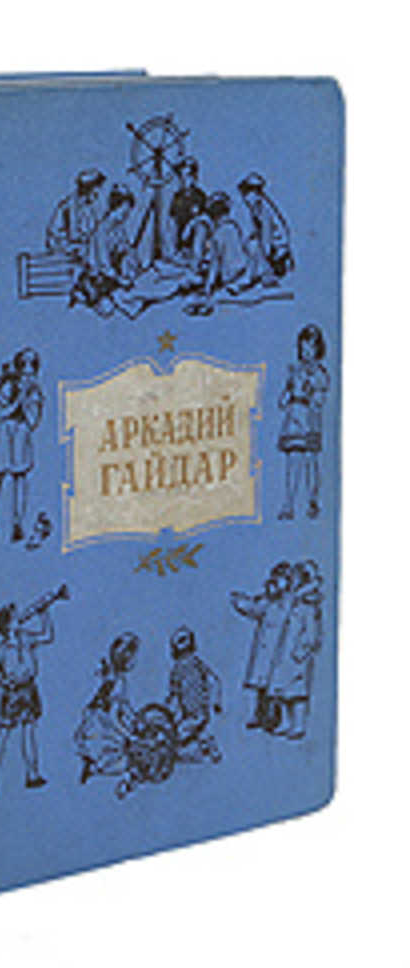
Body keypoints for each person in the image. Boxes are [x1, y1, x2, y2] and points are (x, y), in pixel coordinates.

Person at [0, 601, 55, 795]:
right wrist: (3, 681)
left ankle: (32, 775)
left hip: (29, 690)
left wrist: (45, 614)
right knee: (3, 733)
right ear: (7, 625)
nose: (20, 619)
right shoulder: (3, 649)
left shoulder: (26, 638)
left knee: (29, 731)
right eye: (15, 618)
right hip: (13, 694)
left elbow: (47, 636)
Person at [0, 348, 44, 542]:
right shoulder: (8, 385)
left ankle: (17, 523)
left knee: (20, 478)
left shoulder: (34, 391)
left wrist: (27, 401)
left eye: (32, 365)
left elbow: (33, 422)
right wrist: (17, 402)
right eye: (24, 364)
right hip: (3, 435)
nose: (27, 370)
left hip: (20, 436)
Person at [229, 561, 294, 731]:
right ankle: (257, 715)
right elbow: (254, 608)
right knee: (259, 686)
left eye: (280, 579)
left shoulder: (290, 602)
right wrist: (240, 602)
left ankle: (276, 719)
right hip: (264, 651)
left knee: (276, 688)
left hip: (280, 651)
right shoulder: (268, 602)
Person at [277, 325, 330, 519]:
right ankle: (289, 504)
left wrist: (309, 390)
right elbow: (284, 398)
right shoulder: (295, 371)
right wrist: (288, 394)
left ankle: (312, 500)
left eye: (310, 348)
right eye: (303, 348)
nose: (306, 353)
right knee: (293, 461)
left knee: (310, 461)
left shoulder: (320, 374)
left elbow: (319, 400)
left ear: (318, 349)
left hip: (309, 421)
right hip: (293, 421)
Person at [74, 632, 140, 784]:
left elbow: (124, 706)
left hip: (95, 725)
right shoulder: (118, 682)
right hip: (99, 731)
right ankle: (94, 768)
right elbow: (114, 715)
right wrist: (129, 735)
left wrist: (135, 719)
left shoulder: (113, 678)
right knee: (127, 760)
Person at [267, 560, 323, 740]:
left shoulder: (309, 606)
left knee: (297, 693)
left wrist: (302, 650)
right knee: (282, 691)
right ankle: (285, 722)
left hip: (298, 656)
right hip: (285, 654)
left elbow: (312, 633)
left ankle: (298, 724)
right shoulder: (292, 602)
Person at [69, 183, 139, 316]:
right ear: (115, 208)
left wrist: (131, 259)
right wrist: (121, 280)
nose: (126, 216)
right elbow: (104, 265)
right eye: (124, 212)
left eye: (128, 213)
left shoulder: (118, 229)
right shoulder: (101, 231)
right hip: (98, 279)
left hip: (113, 278)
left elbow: (125, 248)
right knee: (110, 309)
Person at [164, 626, 222, 763]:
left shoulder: (197, 665)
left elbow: (214, 680)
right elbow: (174, 690)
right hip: (187, 711)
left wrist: (216, 701)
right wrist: (169, 705)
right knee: (198, 732)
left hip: (198, 710)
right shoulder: (177, 670)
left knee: (184, 732)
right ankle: (209, 749)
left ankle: (208, 749)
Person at [237, 172, 294, 287]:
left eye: (247, 192)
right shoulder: (257, 207)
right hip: (273, 248)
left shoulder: (264, 208)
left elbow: (266, 235)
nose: (245, 197)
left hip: (277, 249)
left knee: (254, 245)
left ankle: (263, 276)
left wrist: (265, 257)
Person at [45, 168, 106, 261]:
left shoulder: (93, 206)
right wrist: (68, 246)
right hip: (69, 253)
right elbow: (54, 235)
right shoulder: (68, 206)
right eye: (95, 187)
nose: (97, 191)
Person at [168, 157, 207, 259]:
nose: (183, 180)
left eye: (187, 176)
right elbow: (172, 220)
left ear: (193, 177)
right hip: (180, 242)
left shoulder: (200, 196)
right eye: (181, 176)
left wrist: (190, 225)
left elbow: (205, 218)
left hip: (196, 241)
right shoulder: (177, 197)